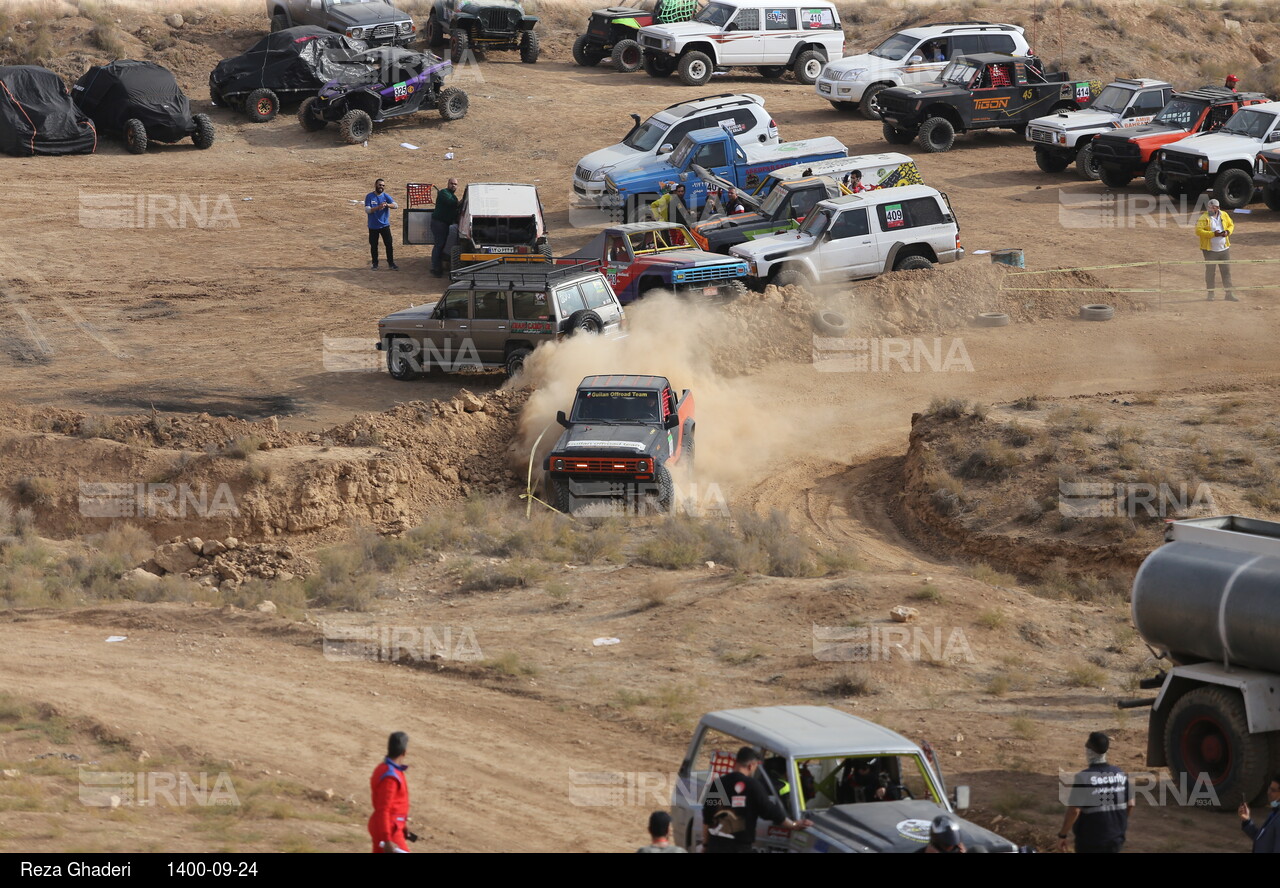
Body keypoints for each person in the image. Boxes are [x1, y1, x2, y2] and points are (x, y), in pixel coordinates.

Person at [701, 747, 812, 853]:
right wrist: (793, 825)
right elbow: (771, 811)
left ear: (737, 762)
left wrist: (705, 845)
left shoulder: (718, 784)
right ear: (751, 765)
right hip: (739, 848)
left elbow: (707, 817)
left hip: (716, 846)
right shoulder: (752, 786)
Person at [1057, 731, 1133, 853]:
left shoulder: (1084, 777)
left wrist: (1062, 835)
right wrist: (1119, 826)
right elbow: (1130, 804)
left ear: (1089, 750)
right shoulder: (1120, 773)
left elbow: (1074, 811)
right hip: (1116, 839)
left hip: (1090, 841)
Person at [369, 731, 417, 853]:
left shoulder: (383, 768)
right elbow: (384, 809)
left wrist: (403, 825)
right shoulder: (391, 776)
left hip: (388, 826)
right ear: (404, 752)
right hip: (389, 830)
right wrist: (387, 839)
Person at [1197, 197, 1238, 301]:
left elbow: (1231, 225)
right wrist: (1212, 234)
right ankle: (1211, 294)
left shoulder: (1224, 214)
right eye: (1209, 207)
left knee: (1226, 272)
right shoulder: (1204, 217)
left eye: (1213, 207)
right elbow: (1198, 231)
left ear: (1218, 208)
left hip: (1224, 249)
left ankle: (1229, 294)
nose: (1210, 209)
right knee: (1210, 272)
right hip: (1209, 250)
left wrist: (1227, 232)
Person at [1239, 775, 1280, 853]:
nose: (1268, 792)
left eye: (1273, 790)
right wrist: (1247, 820)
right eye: (1269, 788)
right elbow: (1262, 840)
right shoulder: (1274, 813)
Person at [365, 179, 399, 270]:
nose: (381, 187)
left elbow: (395, 205)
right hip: (373, 226)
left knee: (389, 244)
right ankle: (375, 264)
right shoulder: (369, 196)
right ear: (375, 185)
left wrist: (387, 205)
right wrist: (378, 207)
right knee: (374, 245)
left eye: (383, 185)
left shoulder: (385, 196)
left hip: (384, 225)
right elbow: (367, 210)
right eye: (380, 185)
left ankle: (391, 263)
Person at [431, 177, 460, 277]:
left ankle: (440, 267)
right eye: (452, 183)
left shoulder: (453, 196)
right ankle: (435, 269)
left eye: (455, 184)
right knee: (439, 245)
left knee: (442, 245)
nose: (453, 185)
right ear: (448, 184)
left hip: (445, 224)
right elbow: (451, 203)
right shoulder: (444, 193)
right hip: (439, 223)